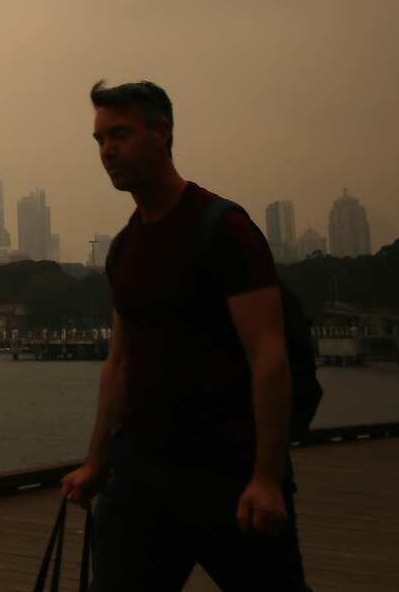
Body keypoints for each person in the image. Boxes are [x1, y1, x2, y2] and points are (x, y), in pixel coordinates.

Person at [61, 80, 311, 591]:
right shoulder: (126, 247)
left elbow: (268, 355)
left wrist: (265, 477)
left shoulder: (223, 229)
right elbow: (119, 365)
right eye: (100, 140)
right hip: (142, 472)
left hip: (227, 471)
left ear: (162, 133)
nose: (108, 151)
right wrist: (95, 462)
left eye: (121, 135)